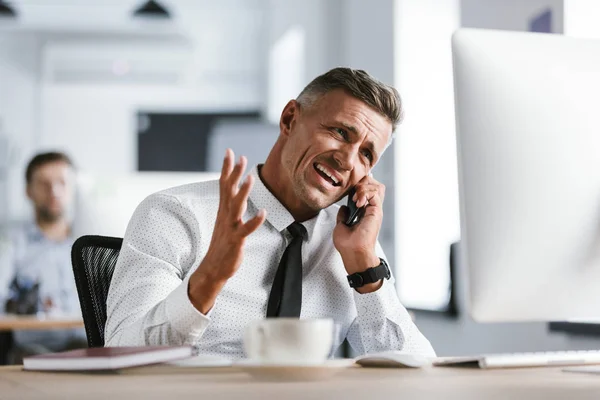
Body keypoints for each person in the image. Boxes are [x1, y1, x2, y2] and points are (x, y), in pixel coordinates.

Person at [105, 67, 435, 358]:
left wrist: (365, 267)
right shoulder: (174, 215)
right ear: (290, 118)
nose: (347, 161)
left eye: (365, 154)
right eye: (339, 133)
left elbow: (416, 367)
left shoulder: (352, 244)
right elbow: (121, 351)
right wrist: (209, 278)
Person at [0, 152, 87, 360]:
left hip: (86, 345)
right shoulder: (12, 243)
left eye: (62, 183)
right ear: (28, 191)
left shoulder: (89, 242)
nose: (54, 191)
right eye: (44, 184)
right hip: (34, 350)